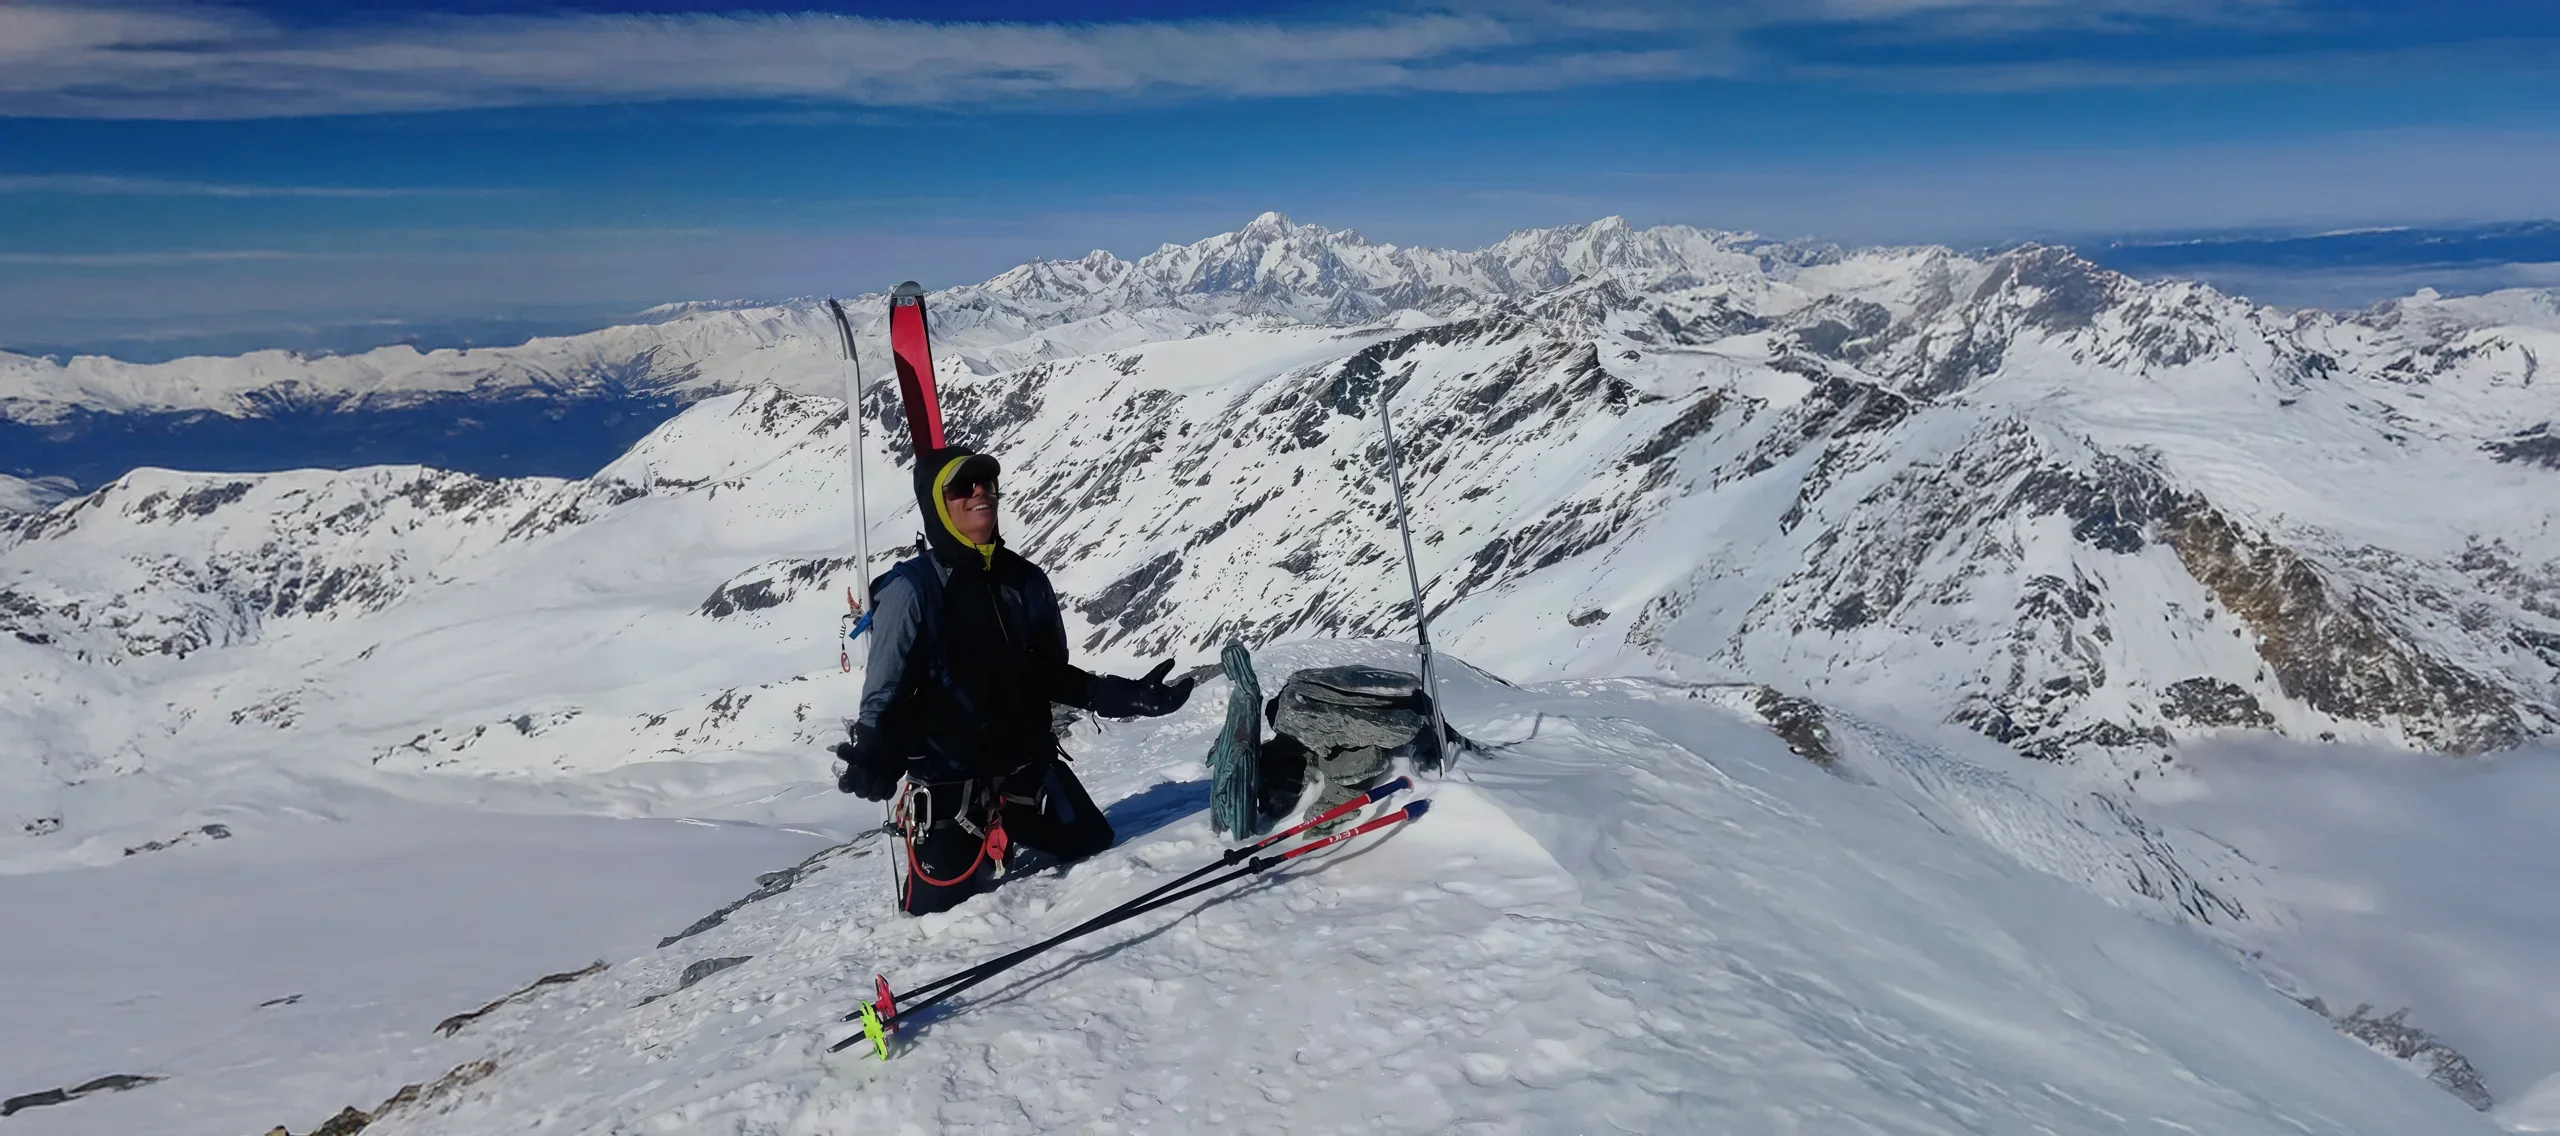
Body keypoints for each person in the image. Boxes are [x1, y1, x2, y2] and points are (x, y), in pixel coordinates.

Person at [833, 445, 1194, 915]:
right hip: (948, 794)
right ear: (936, 505)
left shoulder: (1025, 580)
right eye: (963, 486)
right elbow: (884, 693)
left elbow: (1046, 673)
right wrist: (874, 752)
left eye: (987, 483)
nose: (981, 492)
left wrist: (1117, 695)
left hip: (1028, 773)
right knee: (935, 924)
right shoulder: (911, 591)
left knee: (1094, 845)